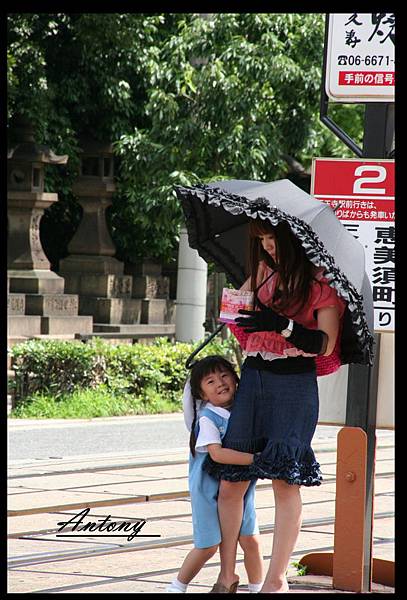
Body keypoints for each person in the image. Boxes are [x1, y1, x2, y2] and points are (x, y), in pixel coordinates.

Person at [203, 219, 346, 593]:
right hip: (254, 379)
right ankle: (227, 574)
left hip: (295, 384)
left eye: (273, 239)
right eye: (262, 239)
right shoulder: (263, 274)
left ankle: (276, 578)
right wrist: (237, 309)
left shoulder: (320, 282)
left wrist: (282, 324)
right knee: (231, 484)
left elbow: (326, 344)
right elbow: (238, 317)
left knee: (285, 481)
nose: (267, 246)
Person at [166, 355, 263, 594]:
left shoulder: (242, 409)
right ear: (201, 395)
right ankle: (177, 587)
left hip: (240, 488)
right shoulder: (209, 418)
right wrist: (257, 460)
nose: (220, 382)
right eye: (210, 381)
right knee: (208, 545)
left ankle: (258, 587)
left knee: (250, 539)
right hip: (207, 492)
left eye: (224, 375)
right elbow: (217, 455)